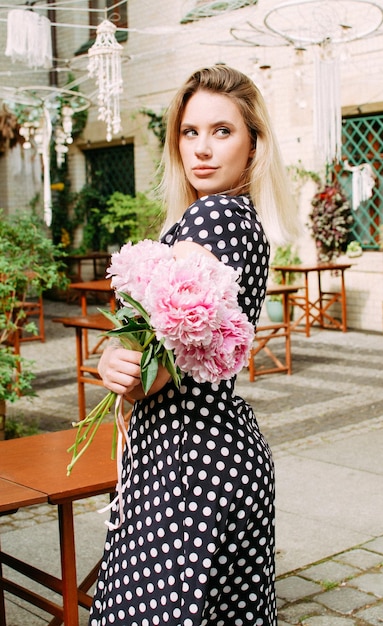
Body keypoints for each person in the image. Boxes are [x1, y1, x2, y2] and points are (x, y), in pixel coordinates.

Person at [89, 64, 299, 626]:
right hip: (217, 458)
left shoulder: (214, 218)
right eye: (190, 131)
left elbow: (153, 374)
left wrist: (119, 363)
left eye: (222, 131)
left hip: (188, 467)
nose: (202, 148)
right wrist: (121, 353)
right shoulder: (242, 220)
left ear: (254, 143)